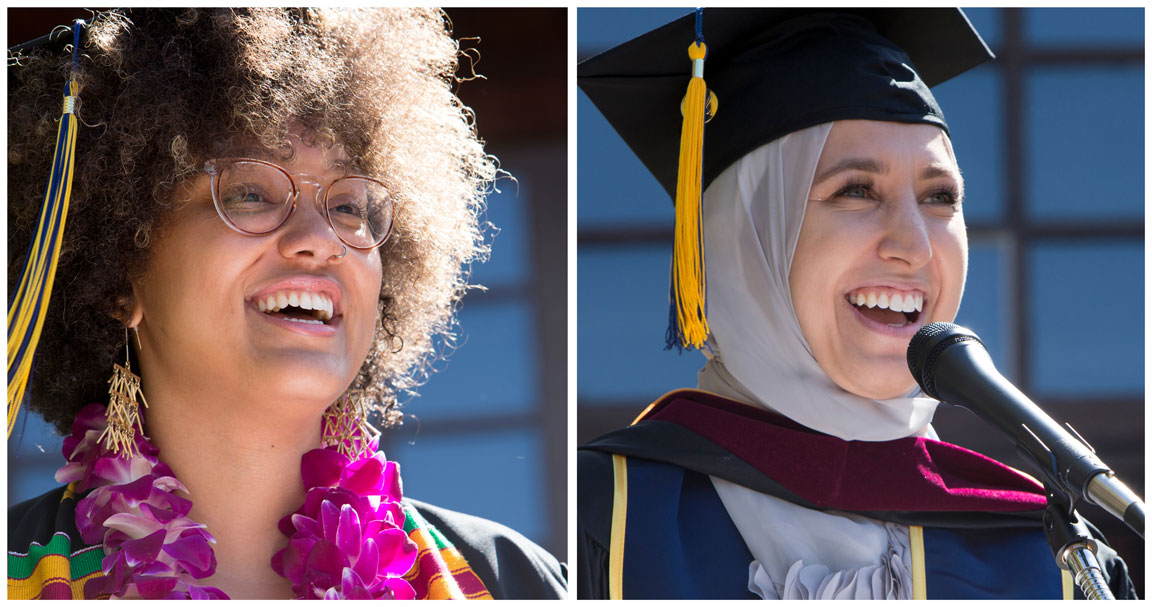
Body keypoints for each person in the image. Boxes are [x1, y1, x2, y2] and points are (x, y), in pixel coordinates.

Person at [576, 8, 1136, 599]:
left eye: (940, 198)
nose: (914, 246)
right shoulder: (606, 520)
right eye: (856, 190)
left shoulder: (1056, 562)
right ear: (746, 239)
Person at [7, 8, 565, 599]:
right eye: (250, 193)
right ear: (119, 276)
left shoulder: (511, 583)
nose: (321, 240)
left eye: (350, 206)